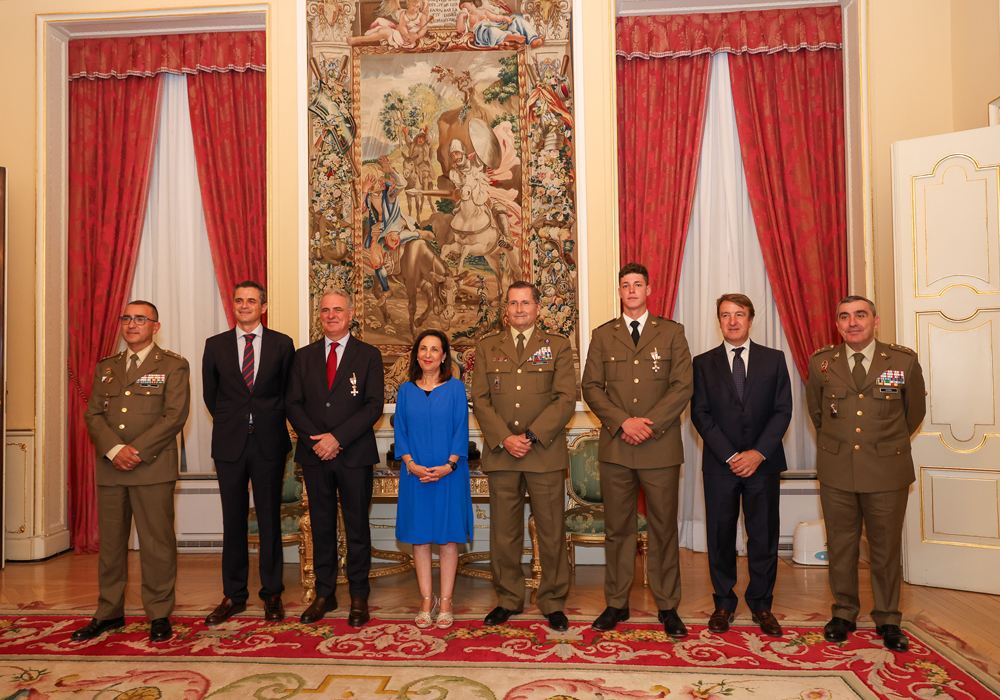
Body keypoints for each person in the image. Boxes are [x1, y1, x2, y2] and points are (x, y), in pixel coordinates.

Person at [806, 296, 925, 653]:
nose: (852, 322)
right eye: (844, 316)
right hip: (837, 470)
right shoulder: (822, 363)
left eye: (860, 315)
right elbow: (817, 413)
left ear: (876, 320)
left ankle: (888, 618)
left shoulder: (902, 360)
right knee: (840, 547)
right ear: (837, 323)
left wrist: (882, 444)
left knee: (885, 549)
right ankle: (843, 613)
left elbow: (913, 413)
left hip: (886, 470)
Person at [581, 262, 693, 638]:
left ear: (649, 289)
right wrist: (623, 422)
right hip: (616, 445)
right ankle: (616, 604)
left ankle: (667, 606)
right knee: (619, 530)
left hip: (659, 446)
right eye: (625, 285)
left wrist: (648, 424)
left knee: (663, 528)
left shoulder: (672, 333)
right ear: (620, 291)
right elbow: (591, 387)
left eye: (637, 284)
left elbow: (682, 386)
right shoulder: (603, 335)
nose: (631, 290)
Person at [74, 301, 190, 643]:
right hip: (112, 468)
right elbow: (94, 414)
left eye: (140, 319)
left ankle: (158, 614)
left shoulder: (172, 365)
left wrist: (134, 452)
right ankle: (108, 612)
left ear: (155, 326)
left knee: (157, 544)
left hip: (151, 467)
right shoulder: (107, 367)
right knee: (110, 545)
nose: (132, 324)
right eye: (126, 318)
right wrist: (114, 451)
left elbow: (175, 416)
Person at [471, 281, 575, 630]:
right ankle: (509, 598)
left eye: (525, 303)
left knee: (550, 530)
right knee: (504, 531)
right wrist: (505, 437)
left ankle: (553, 600)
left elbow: (565, 398)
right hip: (503, 453)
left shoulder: (557, 346)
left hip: (542, 451)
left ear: (537, 308)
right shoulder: (487, 347)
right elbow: (481, 400)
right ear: (506, 310)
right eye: (513, 303)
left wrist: (529, 436)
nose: (519, 309)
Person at [690, 294, 792, 637]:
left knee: (763, 537)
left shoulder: (774, 359)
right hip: (720, 465)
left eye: (739, 315)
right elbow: (700, 414)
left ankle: (762, 605)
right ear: (718, 321)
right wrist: (732, 456)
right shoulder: (702, 363)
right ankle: (723, 603)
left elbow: (783, 411)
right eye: (725, 315)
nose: (732, 321)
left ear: (750, 319)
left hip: (762, 464)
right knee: (720, 537)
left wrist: (757, 453)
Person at [286, 289, 385, 626]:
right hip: (315, 455)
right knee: (323, 528)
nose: (331, 315)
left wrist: (337, 438)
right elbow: (293, 404)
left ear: (350, 312)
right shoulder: (303, 356)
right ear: (320, 316)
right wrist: (319, 441)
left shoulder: (369, 354)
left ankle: (359, 595)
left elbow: (374, 405)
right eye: (325, 310)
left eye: (337, 309)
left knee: (357, 528)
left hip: (354, 454)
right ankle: (325, 594)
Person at [201, 281, 295, 625]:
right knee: (233, 521)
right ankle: (234, 595)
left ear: (263, 306)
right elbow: (212, 397)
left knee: (269, 520)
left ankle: (272, 593)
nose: (244, 305)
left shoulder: (282, 344)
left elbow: (288, 394)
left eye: (251, 300)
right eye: (239, 300)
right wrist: (237, 420)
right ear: (234, 305)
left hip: (269, 443)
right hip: (229, 444)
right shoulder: (215, 346)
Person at [395, 329, 473, 629]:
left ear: (443, 356)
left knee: (448, 536)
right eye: (423, 349)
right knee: (421, 537)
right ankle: (427, 601)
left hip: (449, 474)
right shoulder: (405, 391)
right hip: (415, 474)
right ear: (417, 354)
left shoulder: (454, 388)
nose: (428, 354)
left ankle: (447, 601)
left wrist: (449, 465)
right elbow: (400, 431)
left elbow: (460, 430)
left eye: (435, 349)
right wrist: (411, 464)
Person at [457, 1, 544, 48]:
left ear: (471, 2)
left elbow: (495, 17)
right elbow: (460, 29)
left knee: (516, 18)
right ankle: (512, 37)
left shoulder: (483, 11)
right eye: (462, 8)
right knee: (491, 30)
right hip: (483, 32)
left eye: (465, 5)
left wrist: (504, 18)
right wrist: (461, 16)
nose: (464, 9)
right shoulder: (468, 17)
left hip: (495, 25)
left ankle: (533, 39)